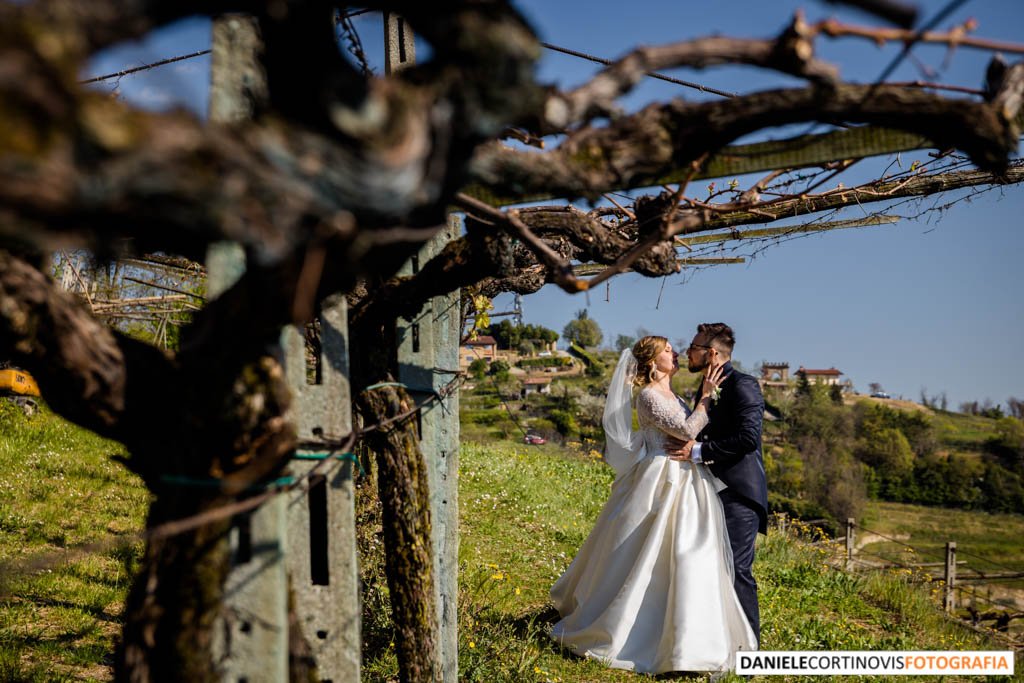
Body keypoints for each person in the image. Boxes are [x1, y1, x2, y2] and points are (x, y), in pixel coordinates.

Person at [549, 335, 756, 674]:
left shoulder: (672, 394)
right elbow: (688, 429)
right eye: (667, 351)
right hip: (662, 478)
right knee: (650, 553)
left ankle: (690, 637)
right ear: (651, 362)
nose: (675, 353)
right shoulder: (648, 396)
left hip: (687, 478)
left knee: (689, 554)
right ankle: (636, 630)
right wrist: (705, 398)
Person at [668, 322, 768, 647]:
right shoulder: (706, 387)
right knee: (707, 568)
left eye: (693, 347)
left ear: (711, 353)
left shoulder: (744, 385)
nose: (687, 352)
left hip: (738, 494)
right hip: (708, 492)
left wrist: (698, 451)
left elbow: (748, 439)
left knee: (737, 571)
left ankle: (748, 654)